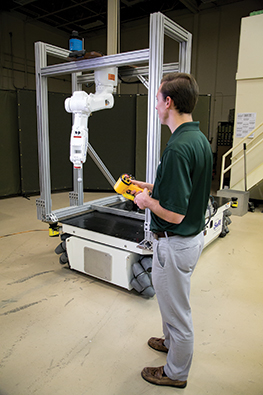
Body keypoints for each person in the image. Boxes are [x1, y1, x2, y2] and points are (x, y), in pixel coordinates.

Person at [132, 72, 213, 388]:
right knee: (171, 303)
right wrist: (150, 186)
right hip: (188, 241)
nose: (155, 106)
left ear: (168, 102)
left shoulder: (178, 147)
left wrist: (146, 202)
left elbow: (176, 214)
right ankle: (169, 342)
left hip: (176, 241)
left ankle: (175, 373)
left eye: (156, 99)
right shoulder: (196, 139)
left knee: (178, 314)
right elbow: (185, 188)